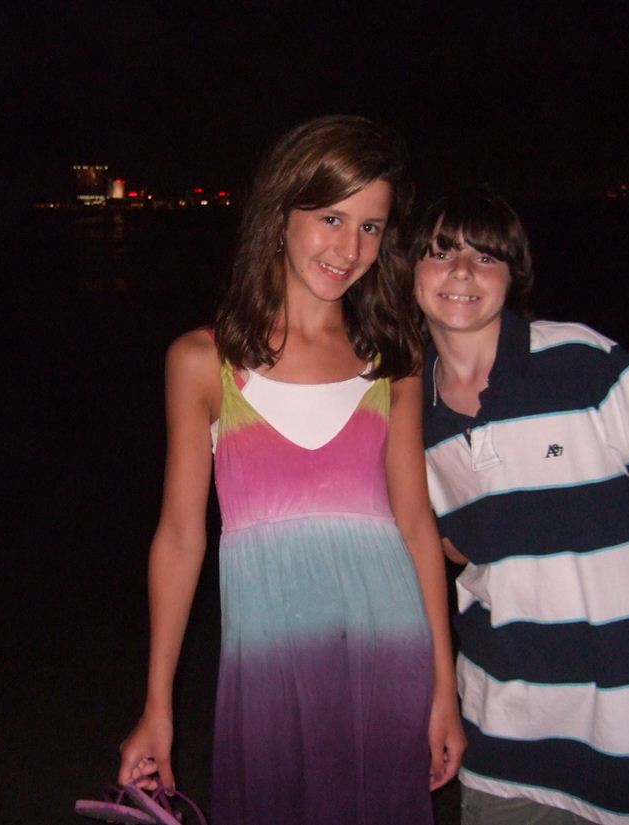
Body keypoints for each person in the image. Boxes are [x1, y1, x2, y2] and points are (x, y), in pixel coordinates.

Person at [116, 115, 465, 825]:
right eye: (331, 218)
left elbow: (415, 525)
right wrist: (157, 707)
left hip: (388, 662)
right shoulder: (203, 362)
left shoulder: (393, 360)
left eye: (371, 227)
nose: (350, 248)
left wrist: (443, 689)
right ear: (281, 215)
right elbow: (180, 538)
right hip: (267, 675)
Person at [409, 186, 629, 825]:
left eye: (485, 257)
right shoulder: (413, 412)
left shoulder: (578, 357)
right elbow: (453, 545)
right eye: (440, 253)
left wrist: (575, 533)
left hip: (625, 701)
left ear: (513, 275)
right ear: (409, 270)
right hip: (500, 710)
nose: (462, 272)